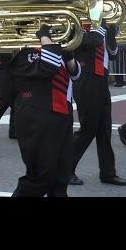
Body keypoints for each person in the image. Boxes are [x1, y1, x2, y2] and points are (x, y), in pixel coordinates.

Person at [9, 25, 80, 197]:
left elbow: (76, 74)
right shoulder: (24, 53)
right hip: (38, 119)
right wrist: (44, 36)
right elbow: (49, 66)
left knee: (60, 181)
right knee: (39, 180)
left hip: (62, 115)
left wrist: (69, 55)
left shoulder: (52, 48)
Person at [68, 20, 126, 187]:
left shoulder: (100, 30)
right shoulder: (78, 25)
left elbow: (114, 54)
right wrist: (102, 26)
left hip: (101, 80)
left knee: (104, 130)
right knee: (88, 129)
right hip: (86, 79)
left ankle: (108, 173)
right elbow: (89, 42)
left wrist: (111, 32)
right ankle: (65, 169)